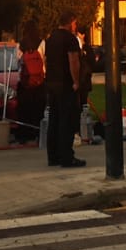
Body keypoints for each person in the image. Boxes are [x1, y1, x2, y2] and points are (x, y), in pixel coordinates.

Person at [43, 12, 86, 167]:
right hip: (65, 84)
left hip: (52, 83)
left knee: (53, 119)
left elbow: (46, 61)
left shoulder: (51, 38)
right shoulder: (70, 39)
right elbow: (73, 61)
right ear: (70, 22)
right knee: (66, 120)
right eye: (75, 23)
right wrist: (76, 81)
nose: (75, 26)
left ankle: (53, 156)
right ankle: (66, 157)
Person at [14, 22, 46, 144]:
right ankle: (38, 133)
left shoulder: (20, 45)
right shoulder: (42, 43)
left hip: (25, 82)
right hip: (39, 81)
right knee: (39, 109)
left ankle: (24, 134)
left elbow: (17, 63)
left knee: (24, 109)